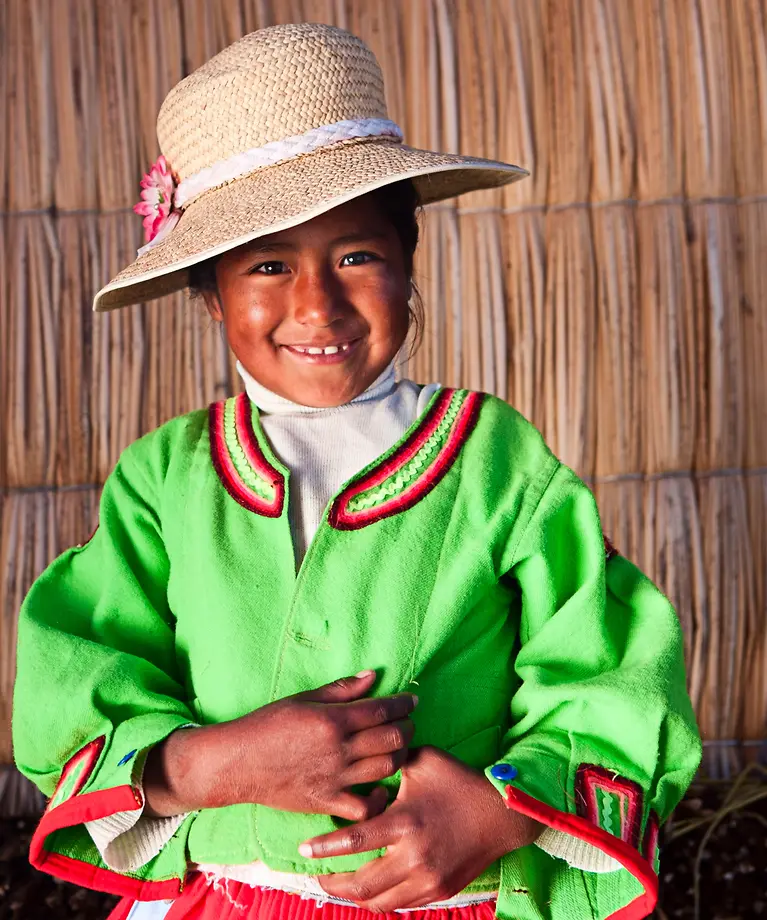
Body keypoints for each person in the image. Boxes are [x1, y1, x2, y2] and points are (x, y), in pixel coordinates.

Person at [12, 23, 700, 920]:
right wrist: (205, 766)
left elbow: (610, 675)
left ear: (409, 261)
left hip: (452, 900)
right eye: (267, 265)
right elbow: (80, 669)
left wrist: (495, 812)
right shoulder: (161, 481)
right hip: (217, 899)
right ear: (210, 293)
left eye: (356, 255)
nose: (317, 303)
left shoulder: (501, 464)